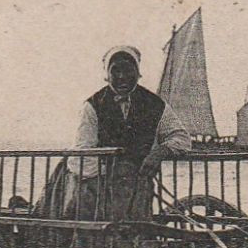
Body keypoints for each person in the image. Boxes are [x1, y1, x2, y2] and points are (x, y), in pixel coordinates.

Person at [64, 46, 191, 218]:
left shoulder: (155, 104)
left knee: (137, 232)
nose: (122, 77)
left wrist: (160, 152)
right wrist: (115, 175)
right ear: (106, 74)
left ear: (138, 73)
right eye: (115, 70)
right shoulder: (92, 106)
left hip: (137, 188)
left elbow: (181, 137)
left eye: (128, 70)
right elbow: (83, 157)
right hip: (96, 188)